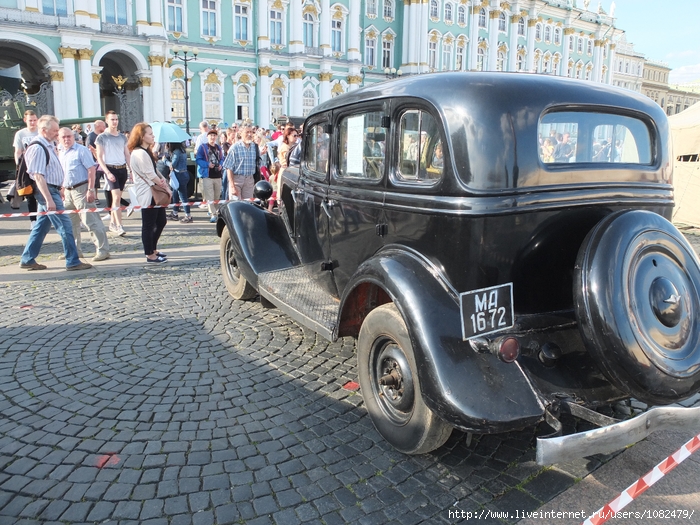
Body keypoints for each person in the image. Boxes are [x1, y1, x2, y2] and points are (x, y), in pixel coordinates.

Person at [18, 115, 93, 272]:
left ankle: (27, 258)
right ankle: (72, 261)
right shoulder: (38, 147)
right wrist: (48, 199)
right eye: (54, 130)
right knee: (65, 225)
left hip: (52, 189)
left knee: (41, 226)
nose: (57, 133)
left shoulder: (48, 145)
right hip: (47, 191)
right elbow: (38, 176)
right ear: (44, 130)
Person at [58, 127, 110, 262]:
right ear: (59, 138)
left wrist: (91, 189)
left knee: (91, 221)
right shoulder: (61, 152)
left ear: (73, 137)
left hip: (82, 188)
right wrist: (62, 188)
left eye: (69, 136)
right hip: (68, 191)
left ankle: (102, 250)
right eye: (63, 137)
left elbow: (91, 170)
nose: (66, 139)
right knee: (70, 224)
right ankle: (74, 251)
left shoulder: (81, 150)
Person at [128, 122, 170, 263]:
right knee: (149, 224)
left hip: (153, 190)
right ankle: (149, 254)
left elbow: (155, 171)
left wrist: (163, 181)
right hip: (148, 192)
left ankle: (153, 248)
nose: (153, 136)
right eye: (150, 134)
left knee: (161, 221)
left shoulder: (145, 151)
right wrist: (163, 185)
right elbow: (150, 174)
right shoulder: (139, 153)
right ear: (142, 136)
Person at [96, 110, 131, 236]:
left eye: (116, 119)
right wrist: (107, 172)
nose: (115, 122)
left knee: (117, 198)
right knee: (116, 198)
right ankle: (119, 225)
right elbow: (99, 157)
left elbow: (127, 154)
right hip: (111, 168)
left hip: (122, 169)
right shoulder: (102, 137)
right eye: (112, 119)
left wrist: (131, 169)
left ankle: (112, 222)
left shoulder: (122, 137)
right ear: (107, 121)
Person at [13, 110, 39, 227]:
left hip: (40, 166)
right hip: (27, 168)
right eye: (30, 120)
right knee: (30, 194)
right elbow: (18, 151)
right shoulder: (20, 134)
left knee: (44, 193)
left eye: (34, 120)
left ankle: (44, 218)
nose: (33, 123)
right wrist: (18, 166)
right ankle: (33, 220)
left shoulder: (40, 132)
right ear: (25, 120)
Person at [222, 124, 259, 202]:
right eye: (247, 132)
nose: (249, 134)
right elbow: (228, 168)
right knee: (236, 206)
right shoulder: (235, 147)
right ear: (241, 133)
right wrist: (232, 186)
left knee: (249, 206)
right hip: (237, 180)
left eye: (251, 132)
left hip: (249, 180)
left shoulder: (254, 147)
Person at [196, 130, 224, 223]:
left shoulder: (219, 148)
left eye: (214, 135)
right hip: (207, 175)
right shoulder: (203, 147)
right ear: (207, 137)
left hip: (217, 175)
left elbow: (222, 159)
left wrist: (221, 164)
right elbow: (198, 159)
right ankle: (213, 214)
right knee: (210, 196)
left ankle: (214, 211)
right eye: (211, 135)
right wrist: (207, 164)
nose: (213, 137)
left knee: (216, 196)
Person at [166, 142, 192, 223]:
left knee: (183, 196)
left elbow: (172, 165)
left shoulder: (177, 151)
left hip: (179, 175)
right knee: (175, 194)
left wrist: (165, 161)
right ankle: (175, 213)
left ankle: (188, 216)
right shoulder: (182, 150)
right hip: (183, 173)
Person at [86, 119, 106, 206]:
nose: (105, 127)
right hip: (95, 163)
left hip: (105, 162)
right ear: (97, 126)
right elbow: (89, 149)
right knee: (96, 181)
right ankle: (96, 197)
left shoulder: (105, 136)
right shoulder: (91, 136)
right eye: (103, 125)